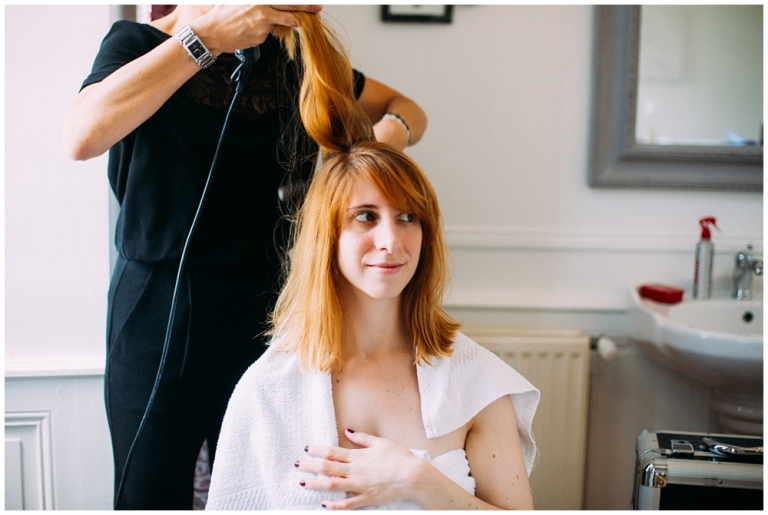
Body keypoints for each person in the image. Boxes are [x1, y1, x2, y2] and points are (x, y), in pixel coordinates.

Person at [62, 5, 427, 510]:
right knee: (149, 493)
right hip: (156, 313)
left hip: (270, 312)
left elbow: (407, 108)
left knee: (261, 490)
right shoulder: (138, 43)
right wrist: (205, 39)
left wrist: (389, 137)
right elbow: (81, 136)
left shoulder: (298, 60)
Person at [205, 12, 540, 510]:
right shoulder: (269, 392)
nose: (391, 241)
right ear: (328, 237)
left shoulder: (475, 382)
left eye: (409, 217)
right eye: (365, 216)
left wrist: (419, 480)